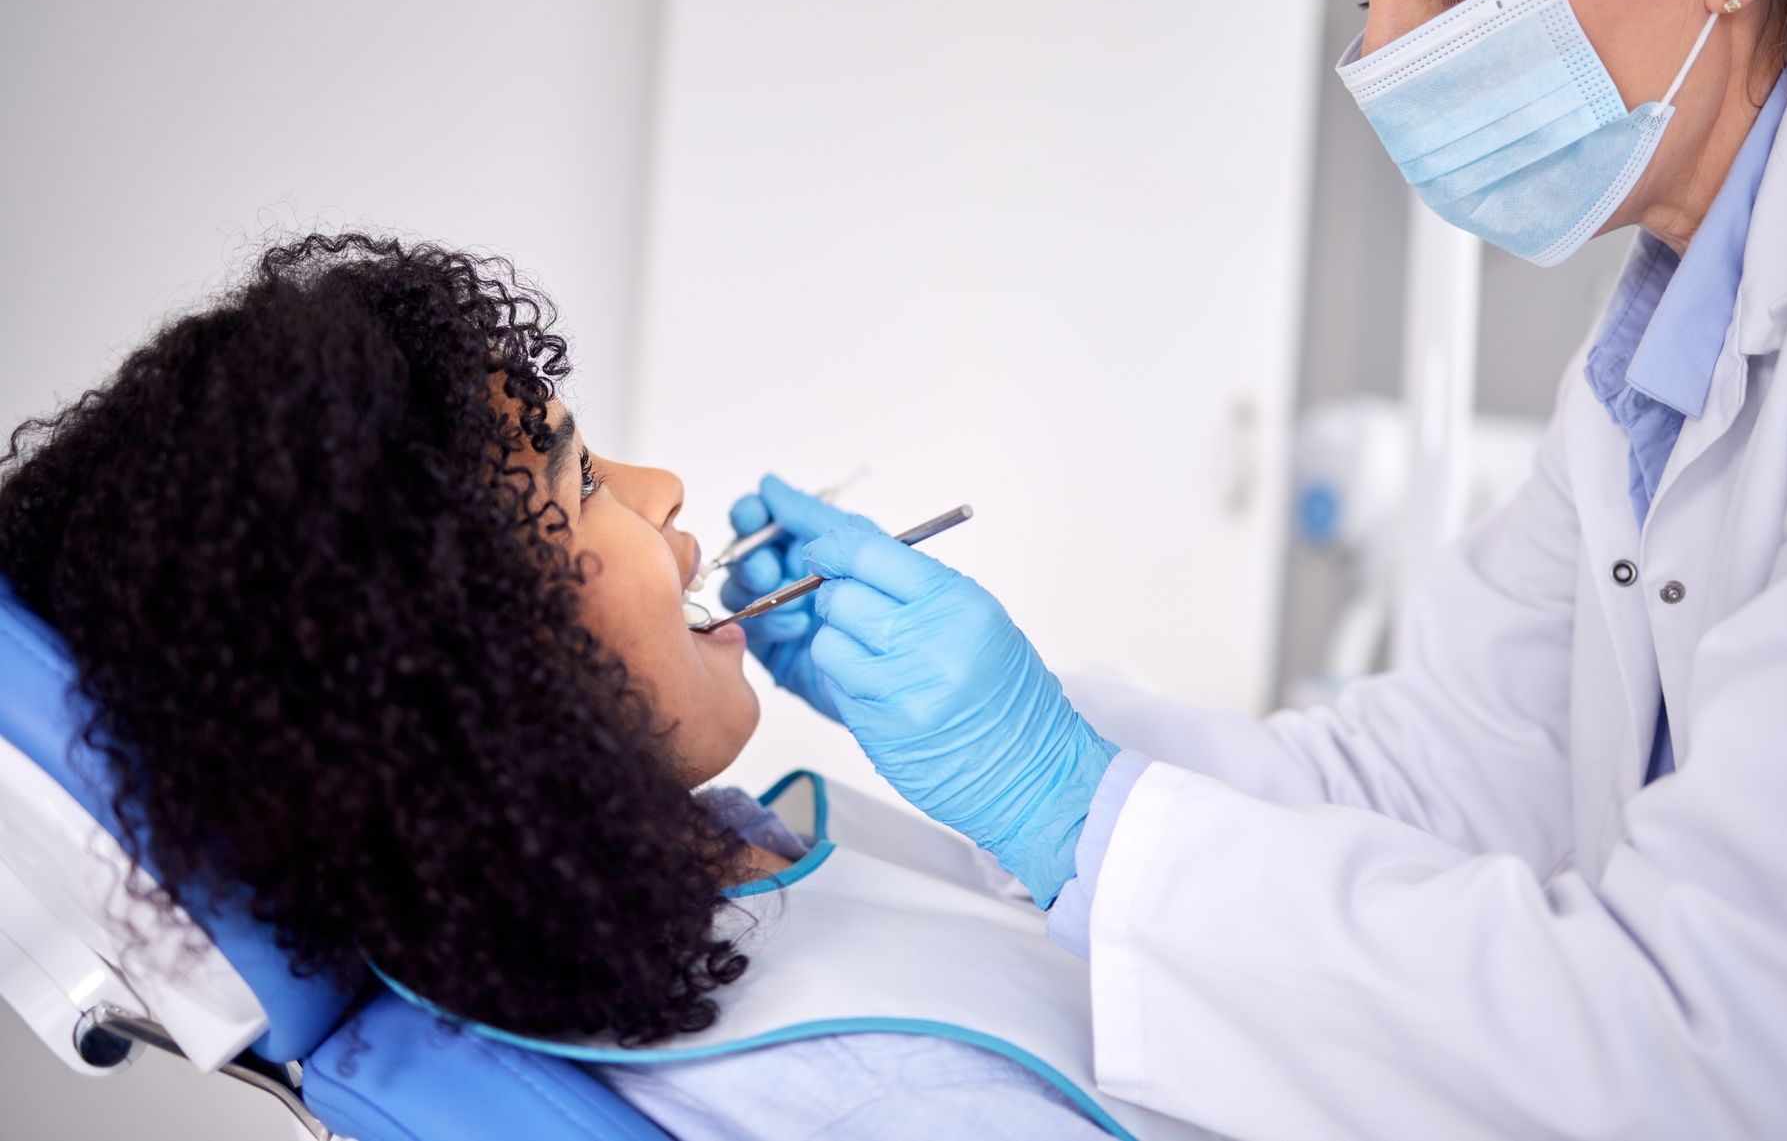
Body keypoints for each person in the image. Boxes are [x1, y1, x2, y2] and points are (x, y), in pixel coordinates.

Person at [723, 0, 1787, 1136]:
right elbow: (1435, 776)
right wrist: (1025, 755)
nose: (1383, 60)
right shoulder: (1663, 337)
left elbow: (1736, 1029)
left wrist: (1062, 797)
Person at [0, 233, 1181, 1139]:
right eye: (581, 480)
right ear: (465, 668)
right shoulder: (864, 1101)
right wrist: (1062, 804)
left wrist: (1057, 800)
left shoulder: (699, 877)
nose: (664, 484)